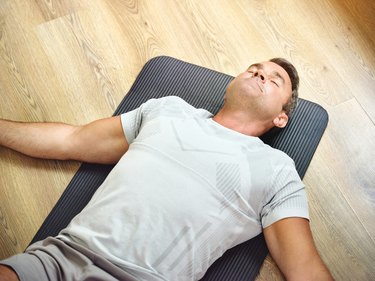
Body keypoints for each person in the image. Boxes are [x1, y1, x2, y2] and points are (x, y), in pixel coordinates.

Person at [0, 58, 334, 281]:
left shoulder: (277, 170)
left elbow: (304, 267)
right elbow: (71, 139)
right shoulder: (168, 110)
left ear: (281, 118)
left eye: (275, 80)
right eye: (253, 68)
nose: (260, 73)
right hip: (61, 258)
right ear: (230, 85)